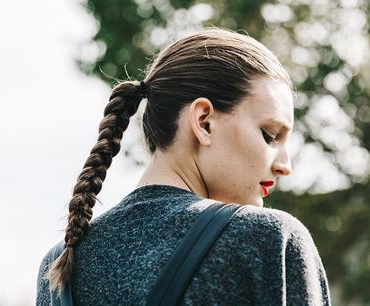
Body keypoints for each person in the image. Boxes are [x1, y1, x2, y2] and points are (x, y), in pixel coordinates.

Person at [36, 27, 332, 305]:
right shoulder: (269, 240)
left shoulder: (59, 266)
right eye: (269, 136)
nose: (285, 166)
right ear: (204, 122)